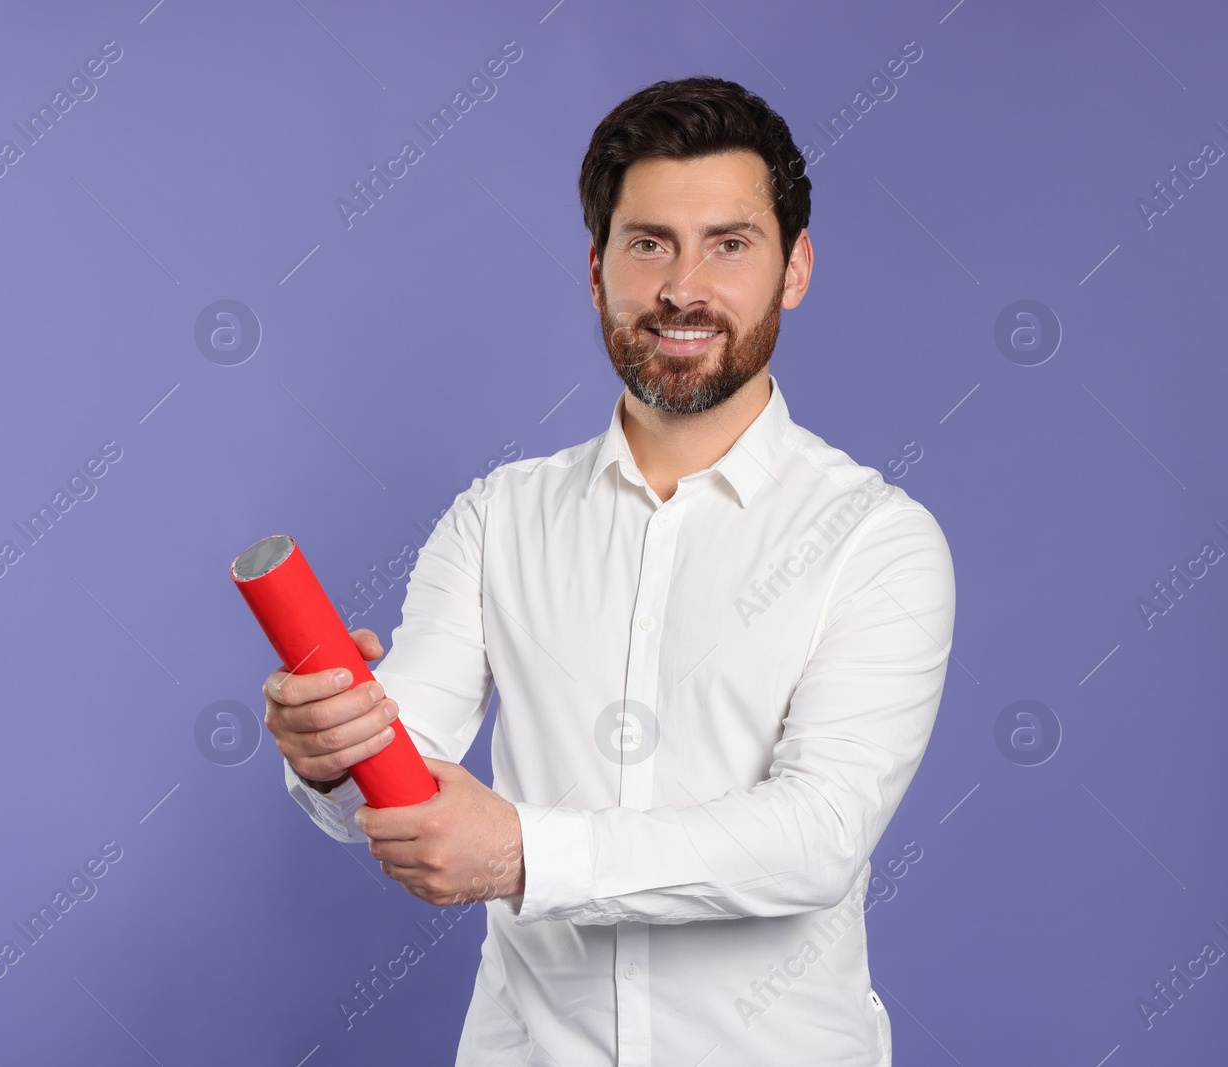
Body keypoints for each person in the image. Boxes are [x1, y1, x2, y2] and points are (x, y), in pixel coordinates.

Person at [262, 75, 955, 1067]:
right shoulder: (498, 517)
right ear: (596, 270)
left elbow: (817, 834)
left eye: (729, 242)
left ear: (794, 268)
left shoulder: (877, 540)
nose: (682, 287)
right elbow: (401, 765)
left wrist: (523, 851)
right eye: (648, 243)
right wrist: (333, 746)